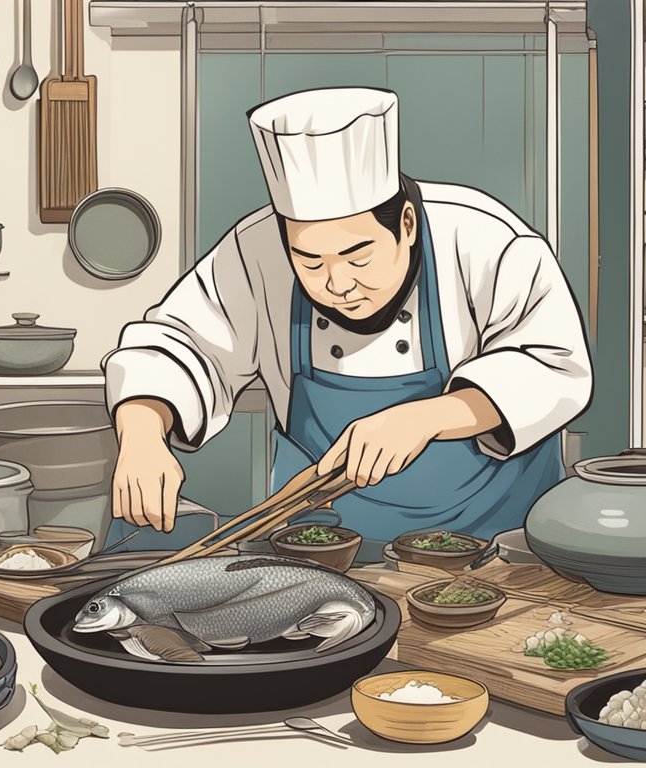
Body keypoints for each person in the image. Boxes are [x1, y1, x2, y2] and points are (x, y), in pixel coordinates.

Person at [102, 87, 592, 562]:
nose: (336, 282)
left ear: (406, 224)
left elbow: (552, 365)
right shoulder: (255, 251)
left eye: (358, 256)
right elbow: (179, 342)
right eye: (310, 261)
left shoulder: (485, 240)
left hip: (490, 542)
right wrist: (143, 434)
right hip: (322, 546)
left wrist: (424, 418)